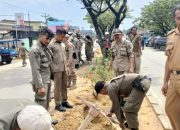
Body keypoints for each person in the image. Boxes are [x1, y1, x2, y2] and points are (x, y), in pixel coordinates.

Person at [161, 5, 180, 130]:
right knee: (170, 109)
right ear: (175, 19)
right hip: (173, 78)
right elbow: (168, 59)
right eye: (179, 18)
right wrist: (165, 81)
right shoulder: (170, 35)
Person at [48, 29, 73, 112]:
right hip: (56, 69)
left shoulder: (62, 44)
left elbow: (65, 57)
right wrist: (51, 70)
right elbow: (49, 59)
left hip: (64, 68)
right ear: (57, 34)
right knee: (57, 87)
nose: (63, 38)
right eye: (62, 36)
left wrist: (67, 67)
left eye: (64, 37)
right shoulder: (51, 45)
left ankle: (64, 101)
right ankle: (58, 104)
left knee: (64, 86)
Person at [29, 28, 54, 110]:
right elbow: (35, 70)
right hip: (41, 81)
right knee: (40, 103)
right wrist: (40, 86)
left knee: (47, 101)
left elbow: (49, 63)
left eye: (50, 39)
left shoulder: (45, 47)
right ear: (40, 36)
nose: (48, 41)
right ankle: (40, 121)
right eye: (47, 38)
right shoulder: (35, 49)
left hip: (47, 79)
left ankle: (46, 119)